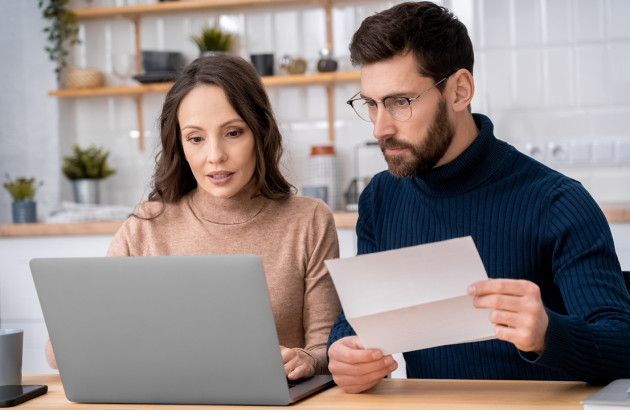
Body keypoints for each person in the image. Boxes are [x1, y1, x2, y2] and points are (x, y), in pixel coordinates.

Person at [327, 1, 630, 394]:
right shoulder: (381, 198)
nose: (379, 128)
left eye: (400, 102)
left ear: (460, 91)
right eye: (370, 104)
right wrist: (344, 351)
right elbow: (361, 319)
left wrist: (547, 333)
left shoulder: (558, 202)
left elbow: (622, 344)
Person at [46, 55, 341, 380]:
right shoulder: (145, 227)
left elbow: (327, 348)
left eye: (233, 132)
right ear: (180, 145)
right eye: (196, 138)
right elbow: (80, 336)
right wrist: (66, 342)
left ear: (260, 132)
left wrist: (307, 359)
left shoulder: (309, 220)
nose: (215, 156)